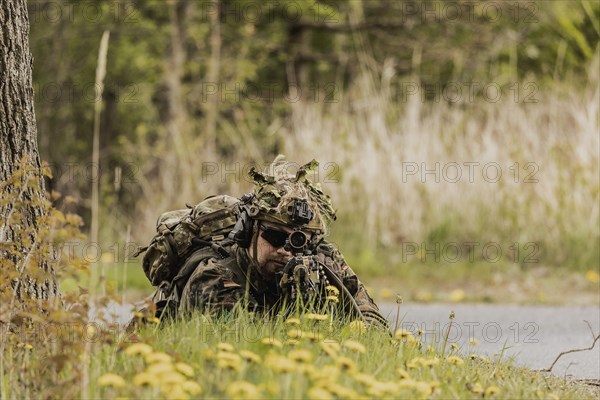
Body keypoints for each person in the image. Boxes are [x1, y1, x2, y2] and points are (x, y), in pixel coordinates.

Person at [154, 156, 388, 329]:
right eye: (274, 237)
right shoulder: (214, 276)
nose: (284, 249)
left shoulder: (323, 260)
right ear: (248, 231)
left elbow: (373, 319)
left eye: (297, 241)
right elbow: (246, 342)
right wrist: (299, 307)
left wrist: (356, 331)